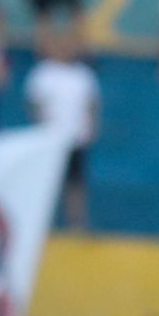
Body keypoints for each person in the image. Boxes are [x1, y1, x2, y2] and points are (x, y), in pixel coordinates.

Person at [24, 30, 95, 228]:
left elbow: (91, 103)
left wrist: (90, 127)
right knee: (46, 182)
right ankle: (41, 222)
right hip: (50, 138)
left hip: (76, 137)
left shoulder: (83, 73)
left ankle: (77, 222)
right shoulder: (43, 72)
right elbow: (33, 103)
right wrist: (42, 126)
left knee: (76, 182)